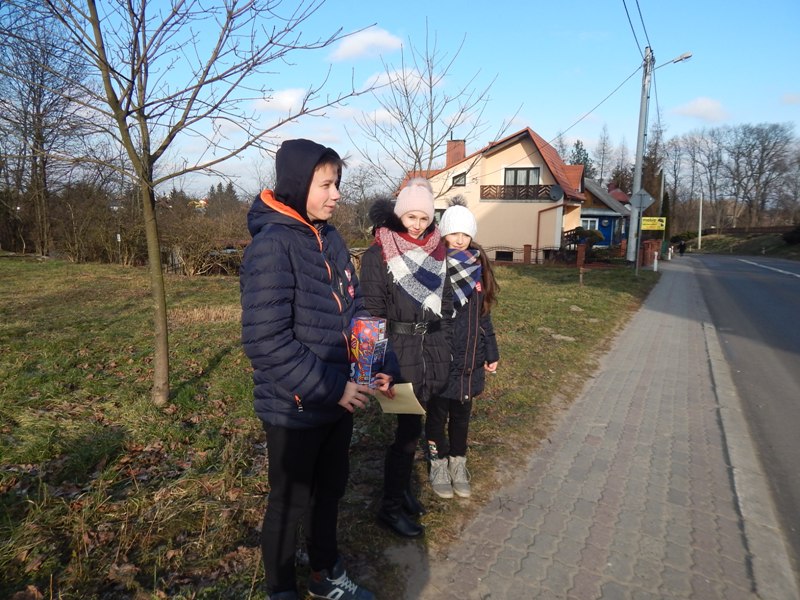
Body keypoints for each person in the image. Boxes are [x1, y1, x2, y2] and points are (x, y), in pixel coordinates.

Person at [240, 139, 393, 600]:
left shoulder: (332, 239)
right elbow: (266, 342)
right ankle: (281, 589)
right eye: (326, 184)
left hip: (339, 398)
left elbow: (356, 308)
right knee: (290, 503)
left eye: (337, 183)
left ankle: (325, 573)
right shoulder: (271, 247)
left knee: (330, 492)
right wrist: (334, 388)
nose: (336, 194)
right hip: (296, 405)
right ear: (298, 184)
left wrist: (372, 366)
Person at [359, 177, 453, 538]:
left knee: (416, 428)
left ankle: (403, 492)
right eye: (411, 216)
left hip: (433, 350)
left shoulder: (437, 251)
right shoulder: (378, 254)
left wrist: (445, 346)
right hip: (398, 353)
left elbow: (445, 303)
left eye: (424, 218)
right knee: (408, 434)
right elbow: (372, 312)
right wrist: (378, 366)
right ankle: (390, 507)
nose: (417, 224)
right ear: (399, 214)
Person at [425, 200, 500, 499]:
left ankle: (458, 462)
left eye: (465, 234)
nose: (459, 240)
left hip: (470, 360)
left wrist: (491, 351)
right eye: (454, 233)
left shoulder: (478, 269)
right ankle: (438, 464)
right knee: (437, 415)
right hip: (442, 360)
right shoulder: (434, 268)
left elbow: (484, 317)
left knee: (462, 416)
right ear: (443, 234)